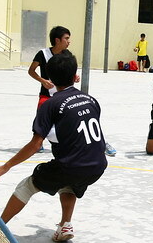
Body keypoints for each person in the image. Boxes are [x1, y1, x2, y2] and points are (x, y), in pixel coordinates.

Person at [0, 51, 107, 242]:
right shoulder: (91, 100)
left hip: (72, 165)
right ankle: (65, 225)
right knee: (69, 183)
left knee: (27, 185)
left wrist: (6, 166)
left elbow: (36, 144)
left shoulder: (50, 104)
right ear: (74, 76)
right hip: (97, 165)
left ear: (50, 78)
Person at [29, 26, 117, 156]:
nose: (69, 41)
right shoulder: (43, 54)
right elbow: (31, 71)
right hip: (48, 95)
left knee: (83, 116)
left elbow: (71, 70)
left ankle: (102, 143)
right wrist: (43, 81)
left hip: (66, 94)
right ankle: (38, 141)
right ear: (57, 40)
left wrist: (74, 77)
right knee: (41, 116)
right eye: (66, 38)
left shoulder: (67, 55)